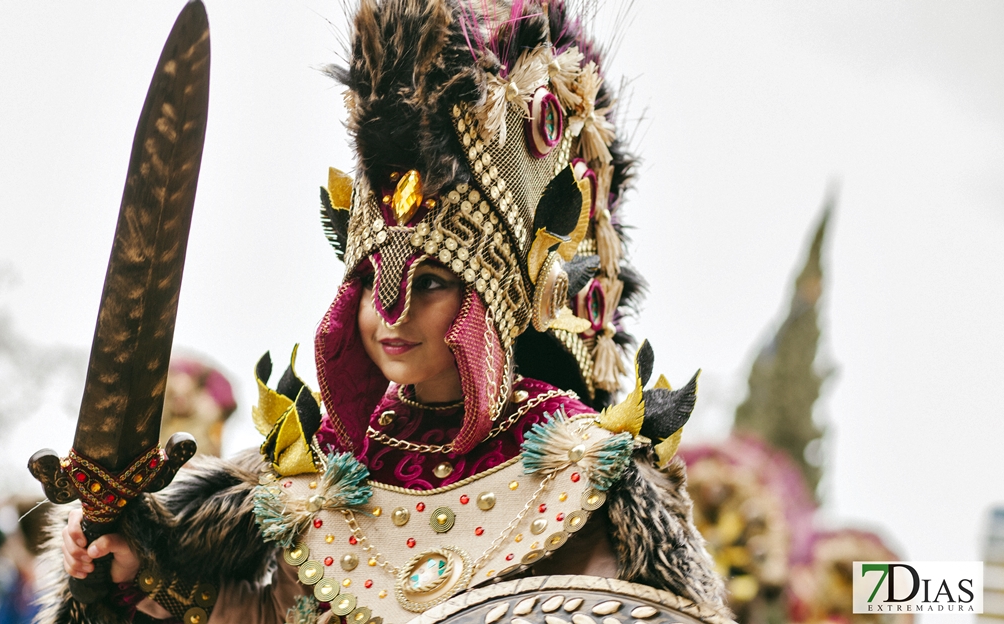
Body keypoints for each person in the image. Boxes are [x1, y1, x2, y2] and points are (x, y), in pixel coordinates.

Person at [38, 2, 728, 623]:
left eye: (429, 282)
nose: (390, 312)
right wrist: (147, 576)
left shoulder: (585, 466)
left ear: (489, 302)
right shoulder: (326, 467)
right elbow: (267, 614)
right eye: (372, 283)